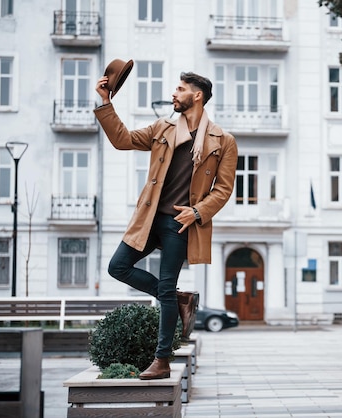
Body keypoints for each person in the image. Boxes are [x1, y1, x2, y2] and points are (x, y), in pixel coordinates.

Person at [94, 71, 237, 380]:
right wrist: (106, 102)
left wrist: (197, 212)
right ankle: (178, 298)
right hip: (149, 217)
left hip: (181, 224)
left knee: (166, 284)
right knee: (117, 267)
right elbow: (123, 140)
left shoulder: (223, 141)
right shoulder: (163, 127)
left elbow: (223, 189)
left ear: (196, 96)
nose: (174, 93)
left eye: (180, 89)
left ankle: (161, 361)